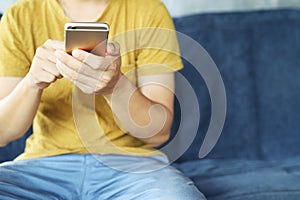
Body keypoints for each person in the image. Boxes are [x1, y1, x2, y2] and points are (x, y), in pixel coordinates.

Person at [0, 0, 206, 199]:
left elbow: (158, 134)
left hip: (132, 167)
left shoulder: (149, 9)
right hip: (41, 165)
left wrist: (115, 86)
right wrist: (32, 82)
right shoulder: (20, 15)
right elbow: (2, 133)